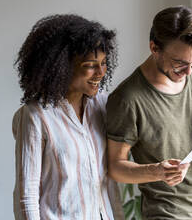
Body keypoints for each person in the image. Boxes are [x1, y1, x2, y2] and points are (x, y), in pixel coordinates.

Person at [106, 6, 192, 220]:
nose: (189, 72)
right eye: (180, 63)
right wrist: (157, 171)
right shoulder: (127, 99)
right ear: (155, 48)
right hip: (165, 215)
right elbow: (115, 167)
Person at [12, 14, 124, 220]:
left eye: (104, 63)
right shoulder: (35, 116)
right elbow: (26, 195)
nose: (100, 72)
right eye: (90, 65)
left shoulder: (103, 105)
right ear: (62, 66)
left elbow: (108, 181)